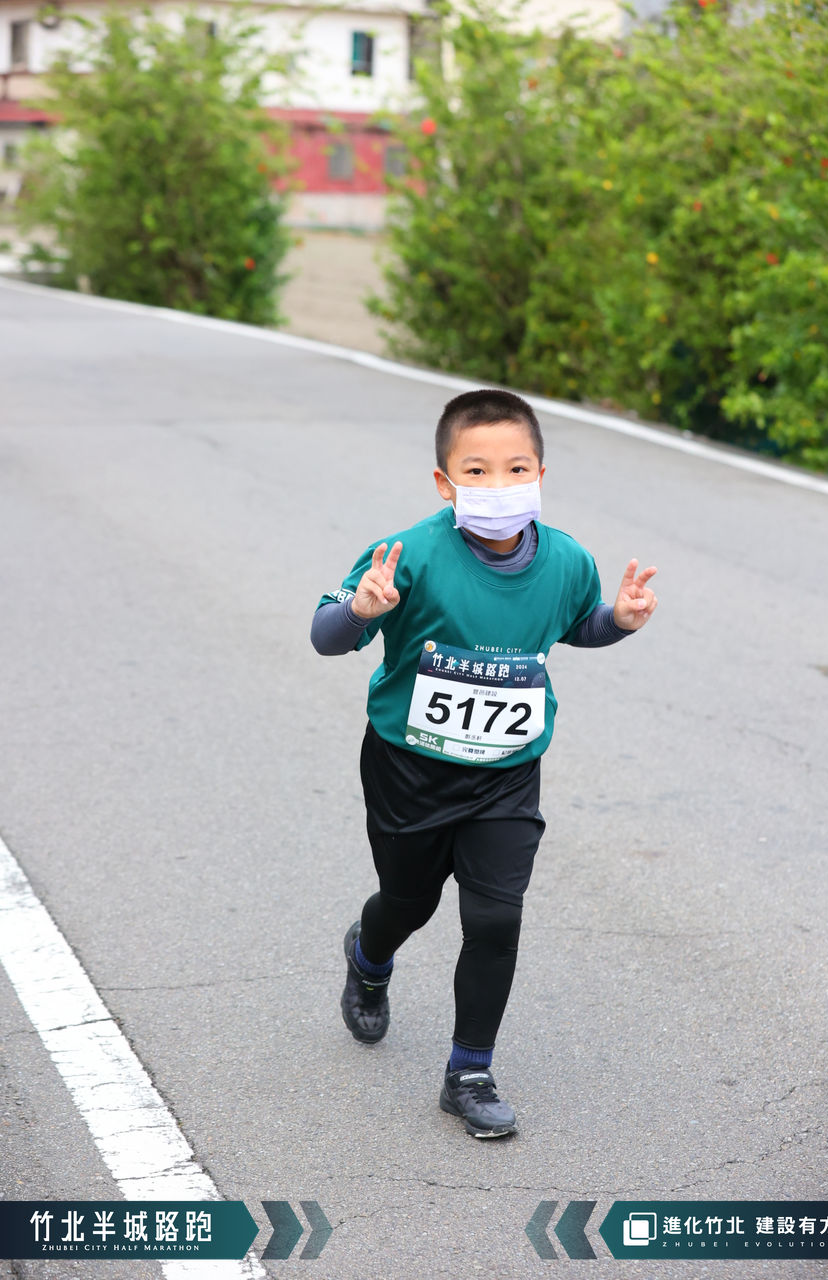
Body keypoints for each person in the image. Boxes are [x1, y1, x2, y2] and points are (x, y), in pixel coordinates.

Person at [310, 388, 657, 1138]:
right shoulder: (407, 555)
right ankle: (369, 957)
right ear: (445, 482)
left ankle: (468, 1072)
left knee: (495, 917)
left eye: (516, 468)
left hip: (506, 771)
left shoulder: (566, 559)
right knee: (409, 902)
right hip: (409, 768)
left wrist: (619, 622)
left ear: (540, 474)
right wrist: (362, 611)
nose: (499, 485)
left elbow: (578, 624)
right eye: (477, 470)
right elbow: (326, 635)